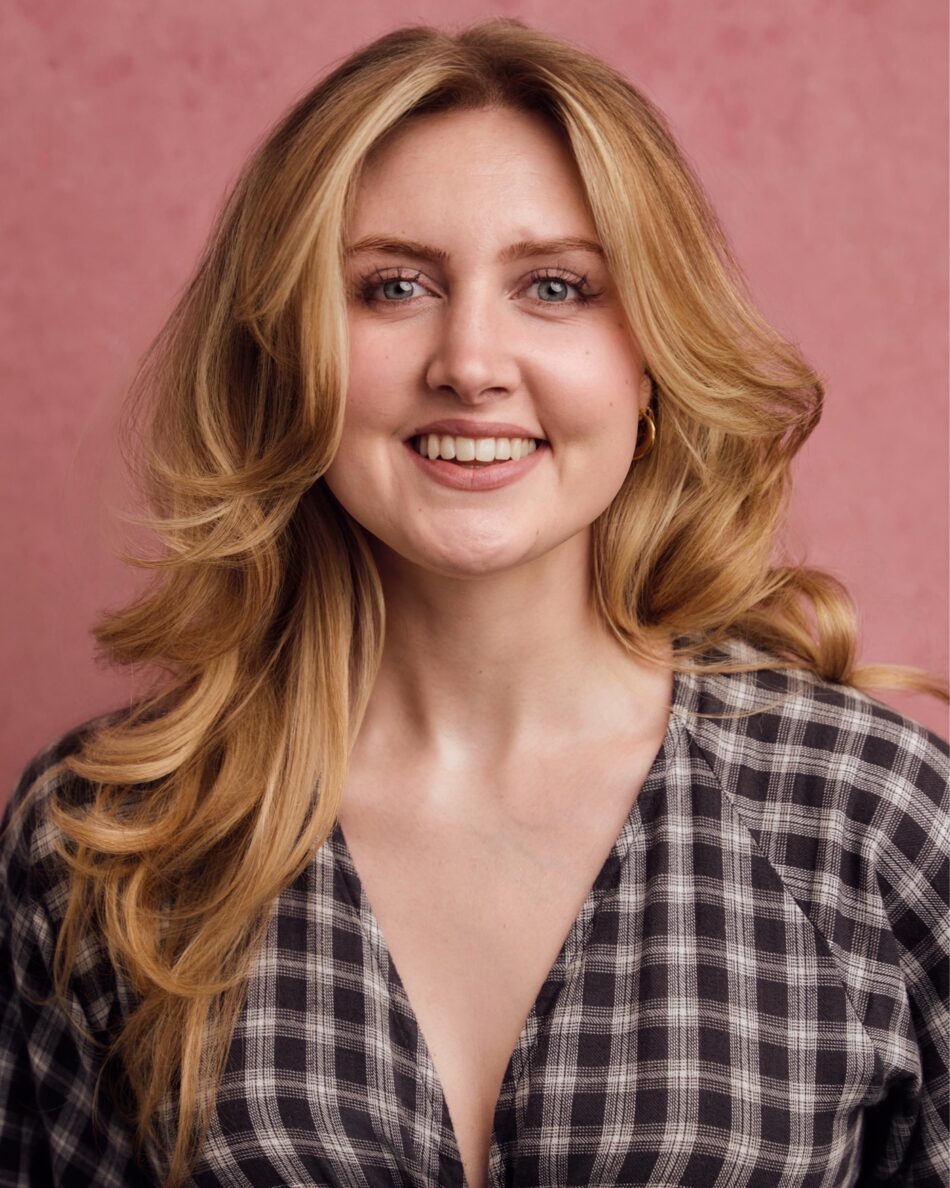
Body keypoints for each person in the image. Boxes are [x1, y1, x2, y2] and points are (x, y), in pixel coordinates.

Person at [1, 18, 947, 1188]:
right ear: (285, 353)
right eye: (391, 287)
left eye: (554, 287)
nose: (468, 361)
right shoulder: (108, 843)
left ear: (650, 361)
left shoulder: (870, 820)